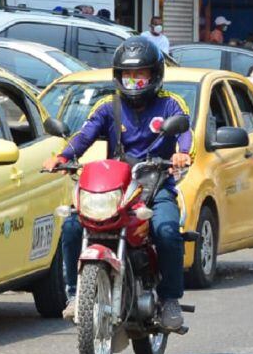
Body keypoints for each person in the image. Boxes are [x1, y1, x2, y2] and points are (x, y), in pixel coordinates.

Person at [43, 37, 193, 331]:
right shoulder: (107, 106)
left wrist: (182, 154)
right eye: (128, 74)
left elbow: (184, 131)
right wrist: (62, 157)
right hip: (117, 187)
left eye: (141, 74)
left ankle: (171, 300)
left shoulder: (170, 104)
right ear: (118, 75)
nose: (134, 81)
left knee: (166, 231)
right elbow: (84, 137)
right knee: (73, 225)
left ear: (155, 75)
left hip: (155, 185)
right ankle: (75, 295)